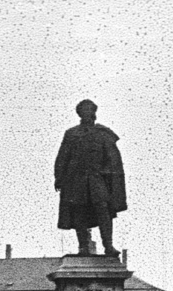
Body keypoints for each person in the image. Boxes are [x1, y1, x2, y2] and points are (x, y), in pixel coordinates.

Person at [54, 98, 127, 256]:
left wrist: (109, 176)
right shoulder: (72, 134)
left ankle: (108, 245)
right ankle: (83, 246)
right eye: (84, 111)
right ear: (80, 113)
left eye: (90, 110)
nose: (88, 114)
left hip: (97, 179)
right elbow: (62, 157)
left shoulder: (104, 134)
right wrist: (59, 177)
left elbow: (113, 159)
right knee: (79, 211)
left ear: (94, 112)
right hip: (76, 180)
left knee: (103, 209)